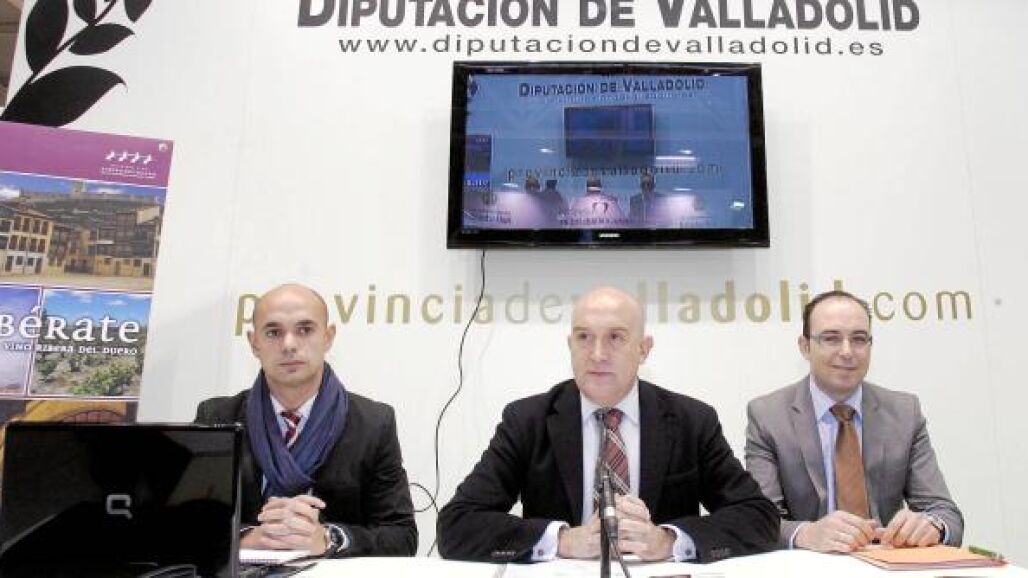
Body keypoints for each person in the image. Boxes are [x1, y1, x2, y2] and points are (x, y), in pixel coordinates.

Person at [437, 286, 778, 563]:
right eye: (584, 337)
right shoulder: (528, 421)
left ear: (643, 349)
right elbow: (457, 524)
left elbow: (758, 516)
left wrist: (669, 540)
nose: (597, 353)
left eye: (615, 337)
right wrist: (563, 540)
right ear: (570, 345)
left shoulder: (691, 421)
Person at [194, 283, 417, 557]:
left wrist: (328, 539)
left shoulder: (373, 423)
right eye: (273, 332)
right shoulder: (218, 418)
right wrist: (247, 538)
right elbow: (184, 524)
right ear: (254, 343)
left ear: (328, 337)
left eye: (305, 330)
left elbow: (402, 536)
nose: (289, 345)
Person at [745, 290, 963, 552]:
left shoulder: (904, 412)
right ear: (805, 347)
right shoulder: (768, 416)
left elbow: (945, 513)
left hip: (886, 561)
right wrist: (806, 533)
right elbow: (757, 520)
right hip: (812, 565)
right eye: (831, 338)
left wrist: (933, 526)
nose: (847, 352)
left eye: (859, 339)